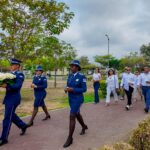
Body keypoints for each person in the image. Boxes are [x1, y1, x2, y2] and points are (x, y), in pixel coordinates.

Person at [0, 59, 29, 146]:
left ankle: (4, 138)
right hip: (9, 98)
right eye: (11, 64)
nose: (11, 65)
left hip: (14, 98)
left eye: (13, 64)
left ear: (18, 66)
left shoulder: (19, 75)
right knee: (11, 115)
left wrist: (7, 85)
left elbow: (17, 86)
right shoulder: (10, 74)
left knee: (7, 118)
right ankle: (23, 125)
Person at [63, 60, 88, 148]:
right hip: (71, 99)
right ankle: (84, 126)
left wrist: (73, 89)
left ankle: (70, 138)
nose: (72, 67)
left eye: (74, 66)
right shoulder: (69, 75)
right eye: (71, 66)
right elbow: (67, 85)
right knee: (77, 114)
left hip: (78, 99)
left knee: (72, 115)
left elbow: (84, 89)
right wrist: (66, 89)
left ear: (77, 67)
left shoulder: (82, 76)